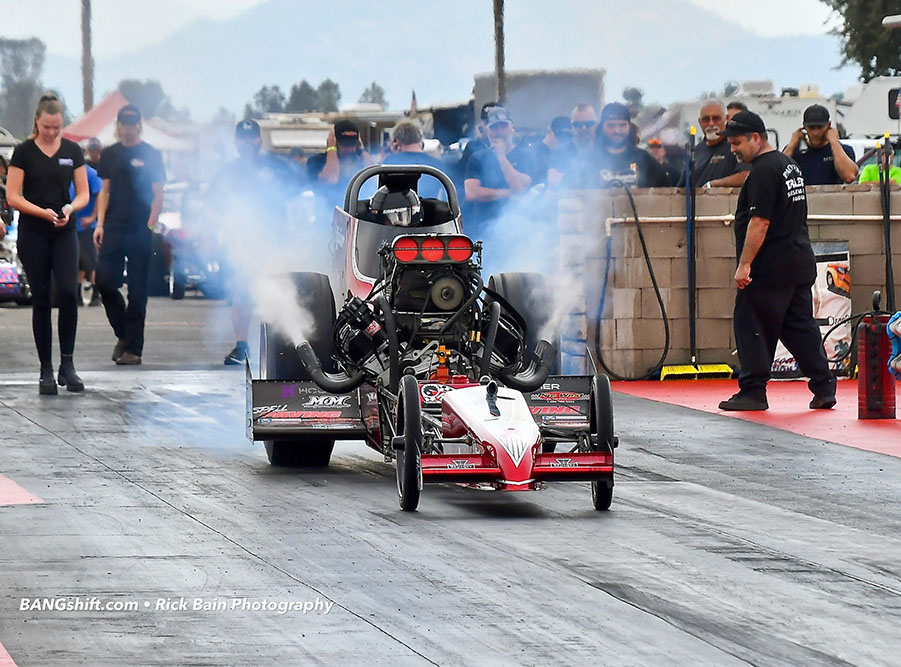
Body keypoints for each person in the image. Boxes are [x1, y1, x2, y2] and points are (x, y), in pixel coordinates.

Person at [716, 110, 835, 411]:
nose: (733, 149)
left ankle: (753, 391)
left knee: (751, 324)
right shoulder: (788, 165)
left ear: (756, 138)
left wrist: (744, 265)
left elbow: (760, 222)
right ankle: (824, 387)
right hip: (797, 261)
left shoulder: (763, 171)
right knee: (799, 327)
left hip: (770, 267)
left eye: (737, 142)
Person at [5, 93, 90, 394]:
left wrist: (70, 208)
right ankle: (46, 369)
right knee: (41, 297)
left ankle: (68, 364)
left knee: (67, 292)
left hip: (64, 230)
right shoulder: (24, 152)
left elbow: (83, 193)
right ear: (37, 122)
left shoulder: (72, 151)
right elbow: (13, 195)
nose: (52, 133)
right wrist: (41, 212)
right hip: (34, 231)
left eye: (57, 127)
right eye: (46, 127)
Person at [207, 119, 298, 365]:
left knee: (279, 292)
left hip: (275, 241)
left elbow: (297, 198)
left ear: (259, 140)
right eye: (243, 138)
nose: (247, 143)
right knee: (240, 293)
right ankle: (241, 347)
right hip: (241, 243)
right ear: (236, 142)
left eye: (252, 137)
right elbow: (211, 207)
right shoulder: (227, 173)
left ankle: (284, 346)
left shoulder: (277, 167)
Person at [94, 104, 166, 366]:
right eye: (123, 124)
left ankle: (134, 349)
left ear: (138, 126)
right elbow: (105, 190)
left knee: (137, 290)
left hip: (140, 228)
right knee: (104, 281)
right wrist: (100, 224)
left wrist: (150, 224)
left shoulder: (151, 154)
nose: (127, 129)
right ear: (119, 126)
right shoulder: (110, 153)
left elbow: (158, 193)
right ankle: (124, 333)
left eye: (132, 125)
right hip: (114, 226)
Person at [463, 106, 534, 238]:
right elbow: (471, 193)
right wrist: (506, 193)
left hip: (520, 227)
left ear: (512, 127)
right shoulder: (477, 158)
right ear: (487, 131)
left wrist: (501, 156)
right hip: (485, 229)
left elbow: (519, 187)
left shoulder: (525, 155)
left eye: (503, 126)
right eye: (494, 127)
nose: (500, 132)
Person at [592, 102, 669, 188]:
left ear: (630, 127)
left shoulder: (645, 159)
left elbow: (666, 191)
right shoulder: (589, 159)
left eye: (622, 125)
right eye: (611, 125)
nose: (617, 130)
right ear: (601, 128)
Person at [679, 100, 749, 188]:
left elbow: (746, 176)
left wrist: (713, 184)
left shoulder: (736, 145)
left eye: (716, 118)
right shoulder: (694, 152)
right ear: (700, 122)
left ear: (726, 119)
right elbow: (681, 187)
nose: (711, 123)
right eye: (706, 119)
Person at [783, 104, 858, 185]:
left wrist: (834, 142)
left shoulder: (843, 150)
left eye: (820, 127)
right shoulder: (794, 152)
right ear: (804, 127)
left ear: (829, 125)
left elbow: (849, 176)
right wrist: (792, 144)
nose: (815, 133)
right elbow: (776, 175)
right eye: (811, 128)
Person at [306, 119, 371, 205]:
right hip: (328, 210)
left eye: (352, 144)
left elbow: (375, 179)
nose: (349, 149)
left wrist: (362, 150)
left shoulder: (360, 161)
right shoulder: (316, 161)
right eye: (345, 145)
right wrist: (331, 148)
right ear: (335, 142)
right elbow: (331, 179)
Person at [381, 119, 447, 199]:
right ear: (420, 139)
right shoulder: (436, 164)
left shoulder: (390, 161)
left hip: (398, 206)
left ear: (396, 141)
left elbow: (381, 190)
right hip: (428, 206)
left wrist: (394, 152)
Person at [69, 161, 103, 306]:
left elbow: (100, 194)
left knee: (90, 261)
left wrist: (93, 217)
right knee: (78, 261)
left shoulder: (90, 173)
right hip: (72, 224)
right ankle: (76, 294)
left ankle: (95, 294)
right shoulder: (68, 171)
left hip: (86, 225)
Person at [533, 116, 573, 186]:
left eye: (565, 138)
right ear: (549, 131)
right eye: (559, 136)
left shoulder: (564, 154)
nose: (561, 142)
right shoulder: (535, 151)